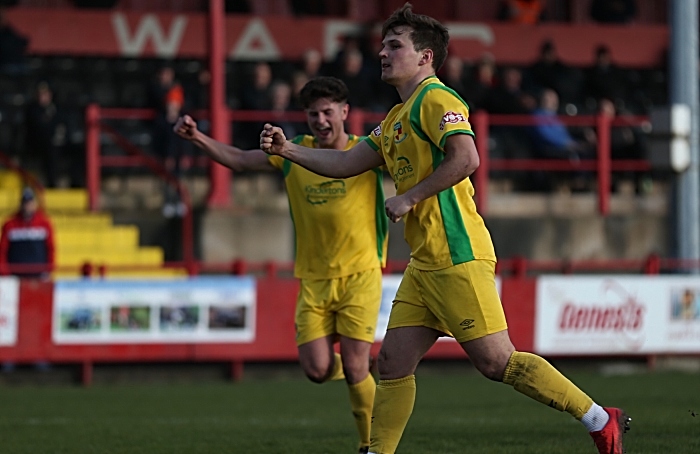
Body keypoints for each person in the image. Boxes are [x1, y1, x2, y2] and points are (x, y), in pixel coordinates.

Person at [260, 4, 630, 454]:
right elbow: (342, 163)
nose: (382, 52)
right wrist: (289, 152)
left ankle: (599, 419)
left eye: (394, 45)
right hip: (425, 264)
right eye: (382, 44)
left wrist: (410, 196)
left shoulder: (437, 99)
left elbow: (467, 158)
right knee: (393, 363)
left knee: (496, 363)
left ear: (425, 57)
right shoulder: (396, 118)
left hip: (457, 253)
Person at [174, 76, 388, 454]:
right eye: (312, 114)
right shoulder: (293, 152)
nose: (321, 120)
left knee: (356, 366)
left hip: (361, 274)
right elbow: (240, 160)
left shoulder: (367, 153)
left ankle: (371, 445)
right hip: (313, 278)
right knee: (317, 370)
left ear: (344, 112)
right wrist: (196, 138)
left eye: (327, 112)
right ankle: (358, 375)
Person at [0, 187, 55, 278]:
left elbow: (50, 248)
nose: (27, 206)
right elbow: (3, 250)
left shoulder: (44, 224)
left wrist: (48, 270)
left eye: (30, 202)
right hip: (15, 276)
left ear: (35, 204)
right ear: (21, 204)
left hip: (38, 275)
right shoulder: (10, 224)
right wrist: (5, 272)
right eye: (25, 203)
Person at [23, 81, 67, 188]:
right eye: (40, 94)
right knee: (50, 150)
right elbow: (39, 128)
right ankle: (51, 183)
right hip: (38, 145)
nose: (42, 97)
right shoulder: (32, 109)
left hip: (59, 144)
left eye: (45, 94)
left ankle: (76, 183)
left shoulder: (58, 109)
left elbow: (63, 125)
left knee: (77, 150)